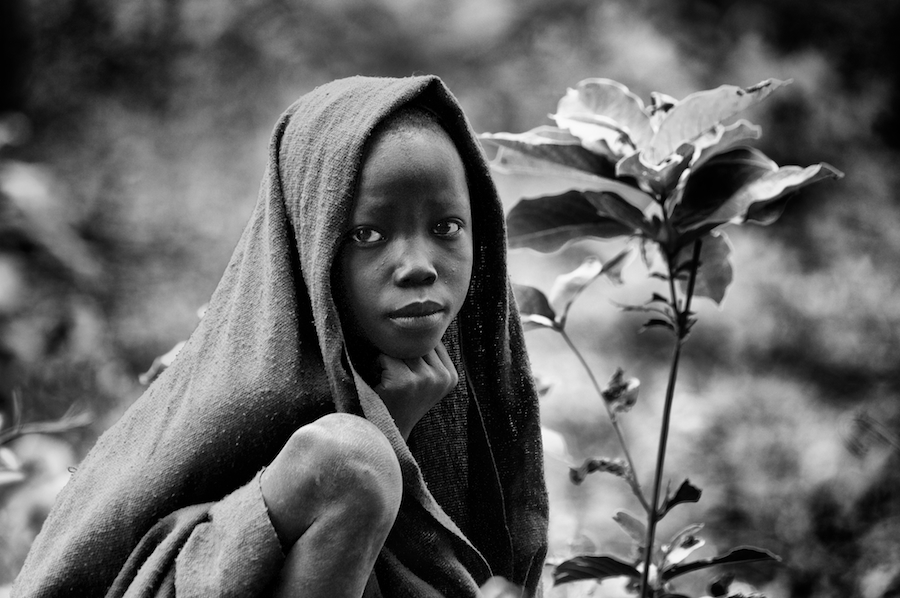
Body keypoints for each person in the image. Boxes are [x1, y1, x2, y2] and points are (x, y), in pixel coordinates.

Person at [12, 75, 548, 597]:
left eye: (447, 228)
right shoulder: (246, 388)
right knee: (350, 460)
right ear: (311, 247)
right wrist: (386, 435)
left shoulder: (465, 392)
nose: (417, 267)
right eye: (367, 234)